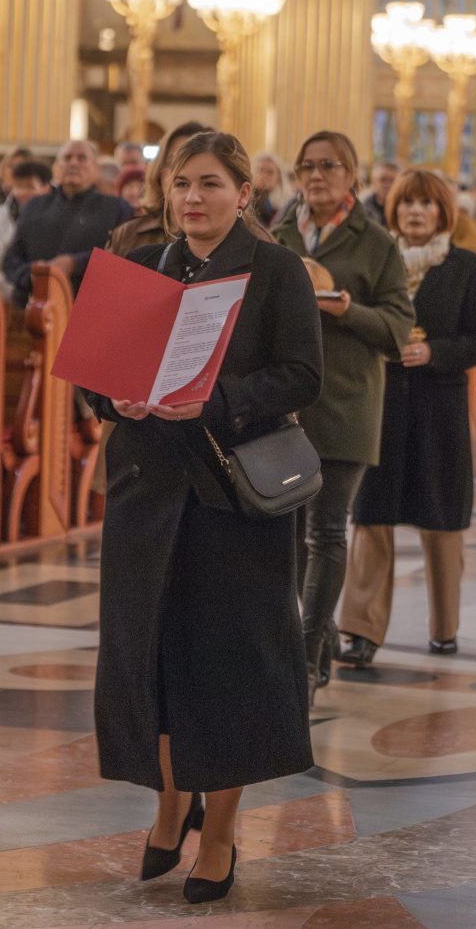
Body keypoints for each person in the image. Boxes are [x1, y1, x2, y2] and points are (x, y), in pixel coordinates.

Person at [86, 131, 322, 905]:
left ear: (244, 193)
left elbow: (301, 375)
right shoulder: (147, 266)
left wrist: (216, 400)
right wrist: (111, 394)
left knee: (227, 665)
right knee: (147, 653)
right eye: (181, 183)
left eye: (211, 184)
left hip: (231, 496)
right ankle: (168, 799)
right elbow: (97, 376)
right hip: (148, 493)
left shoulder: (277, 270)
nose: (193, 198)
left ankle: (218, 831)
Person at [274, 131, 414, 701]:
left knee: (327, 530)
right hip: (283, 406)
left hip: (348, 400)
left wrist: (348, 309)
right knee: (286, 531)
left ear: (351, 174)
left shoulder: (375, 242)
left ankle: (306, 657)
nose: (316, 175)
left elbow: (398, 328)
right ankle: (317, 633)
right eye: (306, 166)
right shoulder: (279, 234)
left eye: (328, 165)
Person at [341, 169, 476, 665]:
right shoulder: (376, 261)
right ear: (394, 210)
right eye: (407, 203)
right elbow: (357, 325)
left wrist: (435, 353)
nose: (415, 211)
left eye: (426, 203)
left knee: (441, 515)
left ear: (442, 212)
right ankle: (361, 630)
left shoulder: (468, 267)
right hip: (381, 402)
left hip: (439, 404)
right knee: (371, 513)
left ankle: (444, 626)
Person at [2, 140, 131, 305]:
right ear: (56, 168)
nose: (73, 163)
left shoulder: (116, 208)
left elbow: (122, 259)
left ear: (96, 169)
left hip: (89, 308)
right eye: (67, 158)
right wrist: (33, 274)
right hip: (34, 309)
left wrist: (75, 264)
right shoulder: (34, 205)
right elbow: (10, 260)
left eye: (82, 158)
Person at [107, 121, 210, 256]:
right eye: (174, 163)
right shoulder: (127, 234)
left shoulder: (230, 239)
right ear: (159, 172)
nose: (183, 173)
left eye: (195, 163)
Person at [0, 159, 52, 303]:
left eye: (30, 187)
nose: (22, 193)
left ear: (46, 188)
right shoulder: (1, 213)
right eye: (18, 186)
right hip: (1, 293)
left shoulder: (54, 218)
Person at [253, 150, 291, 227]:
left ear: (278, 177)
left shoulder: (286, 202)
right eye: (260, 170)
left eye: (270, 172)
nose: (264, 176)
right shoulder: (247, 199)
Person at [362, 160, 400, 226]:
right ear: (374, 181)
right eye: (383, 179)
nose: (387, 184)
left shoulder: (404, 207)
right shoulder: (363, 208)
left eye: (392, 180)